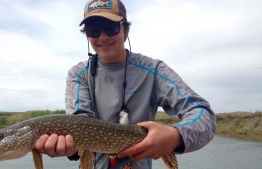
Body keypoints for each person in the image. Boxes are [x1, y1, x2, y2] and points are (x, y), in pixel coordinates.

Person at [34, 0, 216, 168]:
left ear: (125, 29)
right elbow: (80, 122)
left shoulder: (154, 70)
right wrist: (70, 148)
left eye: (111, 27)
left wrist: (175, 136)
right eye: (94, 30)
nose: (103, 37)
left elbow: (203, 114)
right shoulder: (78, 74)